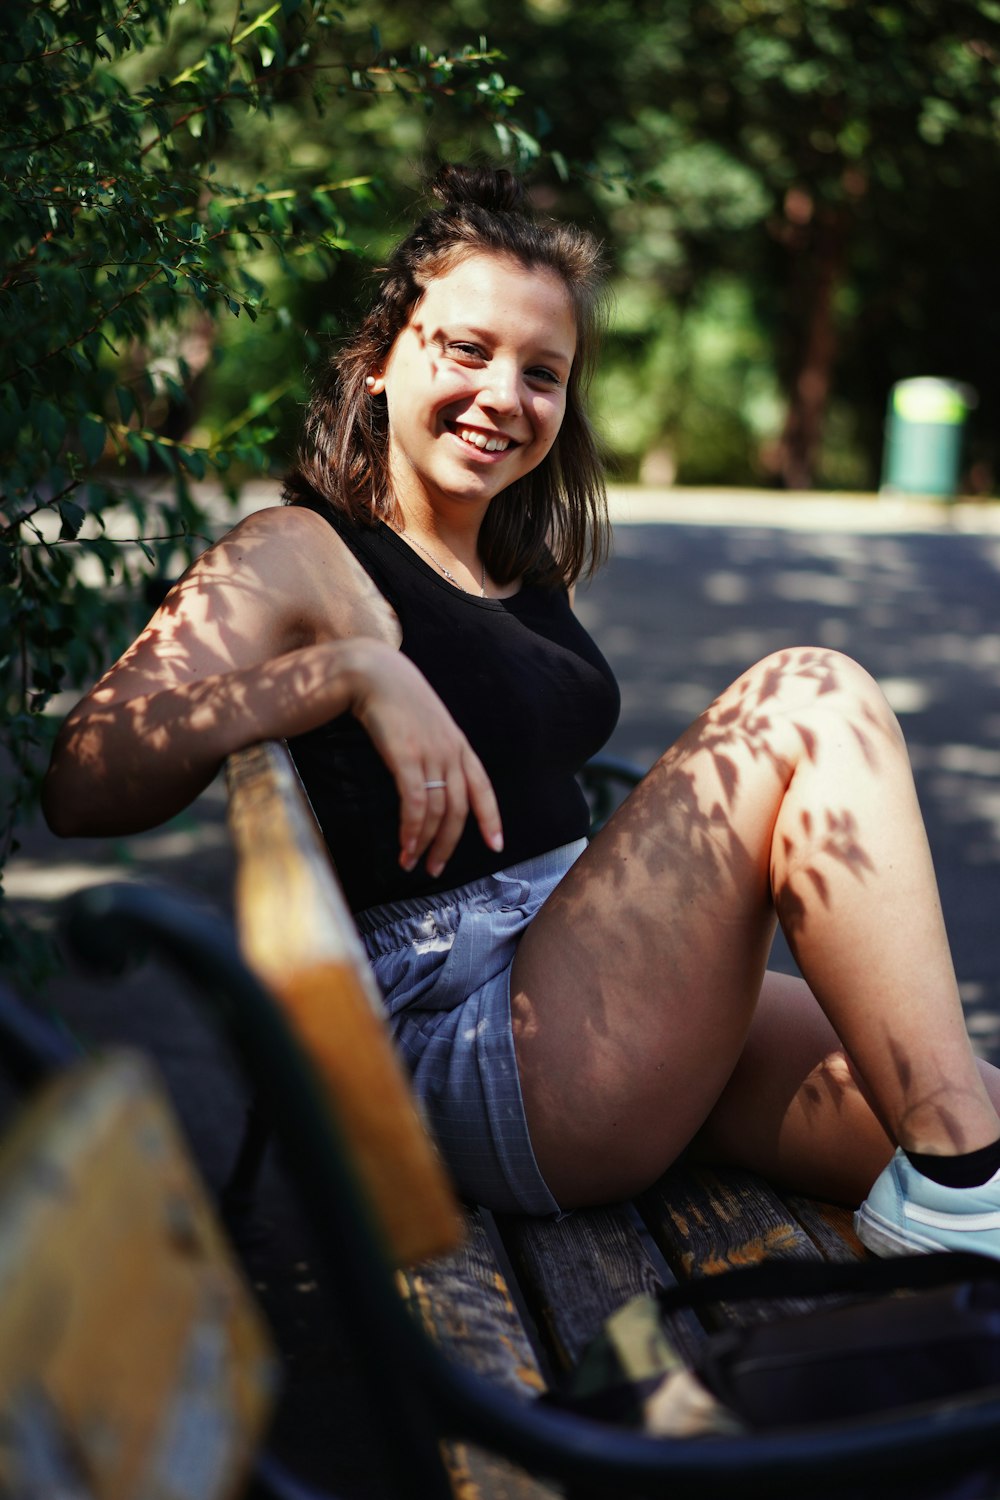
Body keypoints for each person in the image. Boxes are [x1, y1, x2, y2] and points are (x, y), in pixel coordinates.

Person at [42, 163, 1000, 1258]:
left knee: (975, 1123)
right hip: (480, 1046)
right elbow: (85, 773)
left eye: (543, 373)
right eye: (467, 349)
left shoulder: (517, 566)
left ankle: (954, 1187)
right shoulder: (296, 552)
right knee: (808, 694)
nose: (506, 394)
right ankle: (952, 1190)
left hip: (593, 996)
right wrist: (341, 674)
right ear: (376, 365)